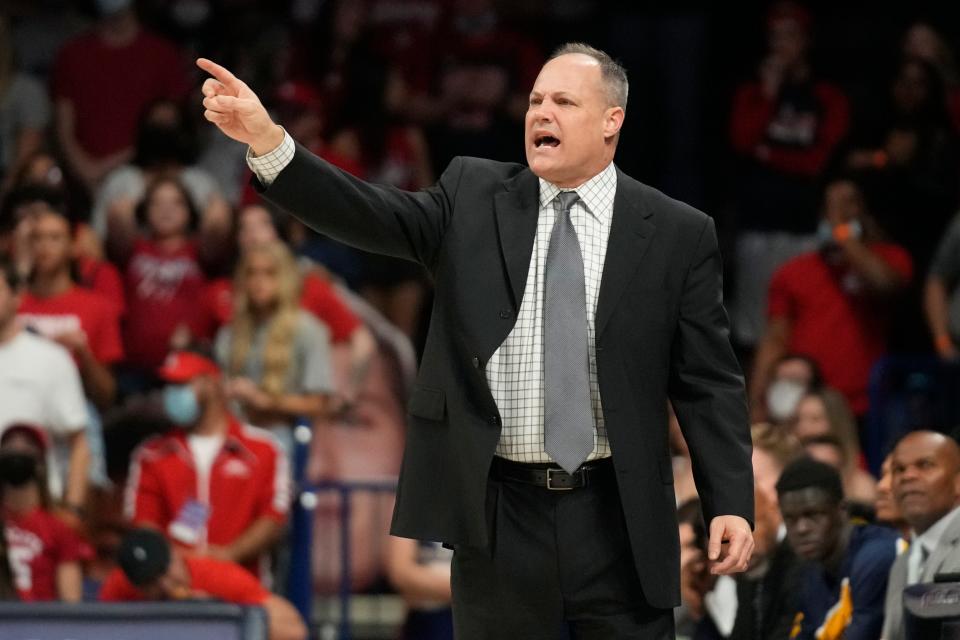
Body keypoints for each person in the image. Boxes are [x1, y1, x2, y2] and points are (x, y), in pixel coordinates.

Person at [197, 42, 754, 639]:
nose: (542, 112)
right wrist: (270, 144)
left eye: (564, 101)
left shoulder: (676, 233)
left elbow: (707, 384)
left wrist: (730, 499)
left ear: (611, 120)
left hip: (618, 510)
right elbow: (369, 213)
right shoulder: (473, 194)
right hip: (500, 511)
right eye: (536, 100)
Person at [749, 176, 912, 419]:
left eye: (848, 203)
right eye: (831, 206)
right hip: (801, 405)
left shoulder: (891, 258)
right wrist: (757, 401)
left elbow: (884, 283)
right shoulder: (792, 272)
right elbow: (775, 339)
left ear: (866, 211)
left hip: (866, 406)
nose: (838, 213)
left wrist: (842, 230)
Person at [124, 350, 290, 581]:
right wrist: (171, 562)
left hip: (242, 587)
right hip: (172, 589)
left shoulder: (263, 449)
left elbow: (273, 517)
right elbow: (143, 520)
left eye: (182, 384)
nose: (172, 393)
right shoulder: (152, 454)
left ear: (212, 383)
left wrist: (229, 555)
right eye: (169, 385)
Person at [99, 528, 306, 640]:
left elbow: (293, 630)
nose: (163, 584)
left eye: (164, 570)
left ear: (176, 554)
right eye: (149, 581)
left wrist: (220, 615)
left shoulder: (215, 575)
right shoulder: (119, 586)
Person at [0, 256, 89, 508]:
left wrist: (73, 507)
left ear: (18, 296)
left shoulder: (51, 358)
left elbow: (79, 443)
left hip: (35, 506)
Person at [777, 457, 898, 640]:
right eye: (790, 519)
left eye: (813, 515)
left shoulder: (876, 556)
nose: (801, 529)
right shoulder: (810, 573)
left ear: (841, 510)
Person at [881, 430, 960, 640]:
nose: (908, 476)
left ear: (958, 481)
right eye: (898, 469)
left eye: (925, 465)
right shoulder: (901, 563)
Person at [1, 423, 89, 601]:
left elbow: (71, 605)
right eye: (9, 445)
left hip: (40, 624)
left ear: (41, 463)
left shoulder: (60, 528)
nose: (17, 450)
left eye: (27, 445)